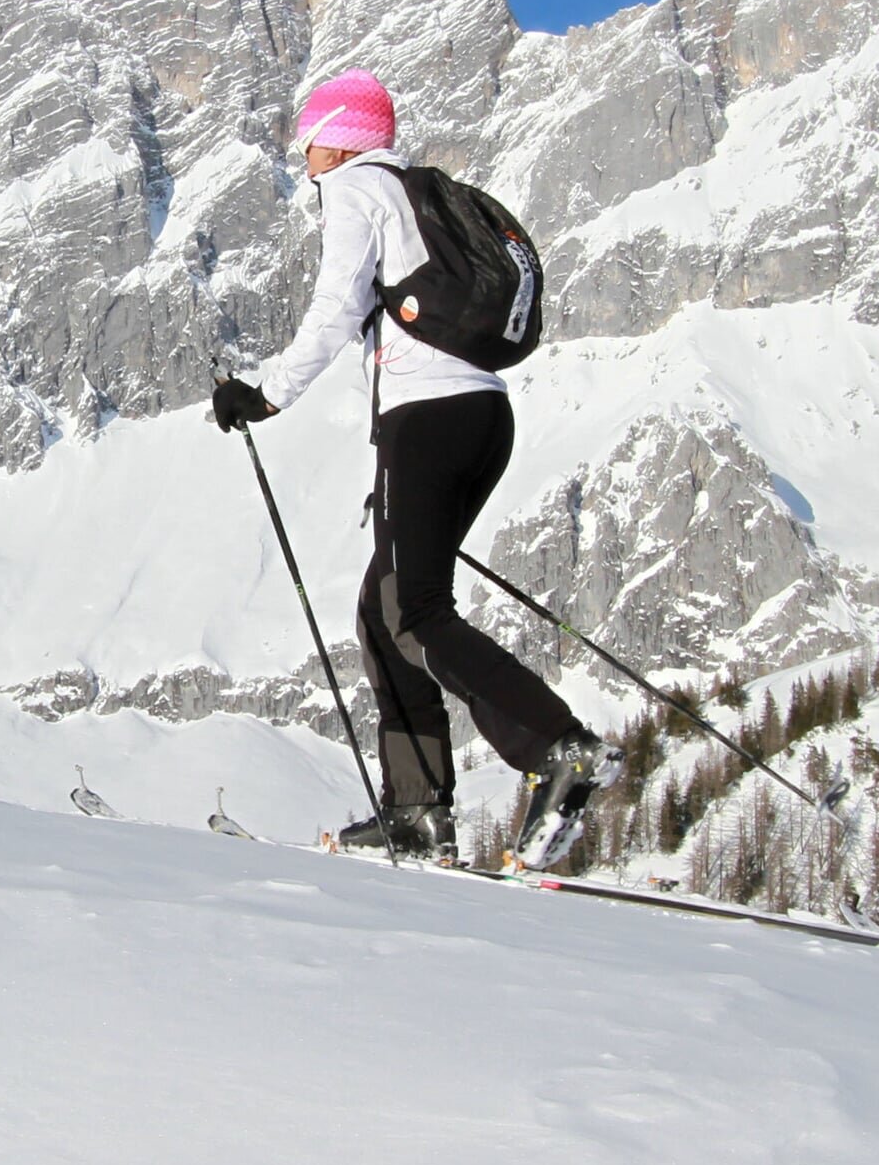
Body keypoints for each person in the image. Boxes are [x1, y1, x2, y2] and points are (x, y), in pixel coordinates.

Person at [212, 69, 615, 866]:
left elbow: (336, 308)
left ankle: (560, 749)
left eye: (310, 141)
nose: (305, 160)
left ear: (342, 137)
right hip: (480, 417)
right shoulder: (417, 193)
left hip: (426, 419)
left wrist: (263, 395)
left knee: (415, 611)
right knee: (382, 607)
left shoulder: (357, 190)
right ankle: (419, 812)